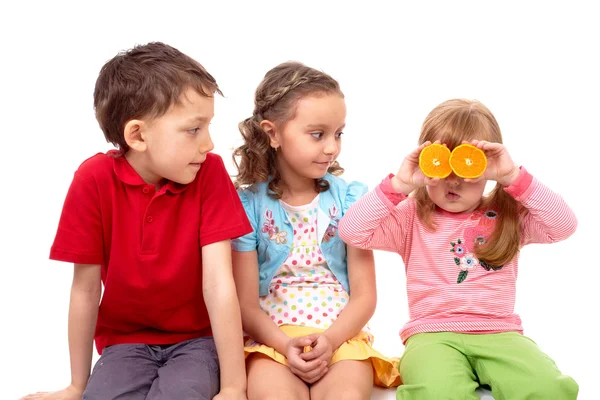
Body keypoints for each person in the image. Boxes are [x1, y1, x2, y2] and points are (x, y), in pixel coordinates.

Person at [21, 42, 251, 400]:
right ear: (138, 135)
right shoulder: (93, 179)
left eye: (208, 126)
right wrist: (76, 386)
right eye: (194, 129)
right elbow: (84, 289)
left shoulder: (211, 173)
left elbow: (220, 284)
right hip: (125, 343)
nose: (209, 143)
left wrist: (235, 387)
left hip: (197, 341)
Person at [338, 98, 579, 399]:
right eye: (442, 165)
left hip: (499, 334)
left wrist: (513, 177)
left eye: (467, 165)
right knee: (436, 391)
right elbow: (352, 231)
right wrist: (399, 184)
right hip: (432, 336)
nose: (453, 180)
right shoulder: (412, 216)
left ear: (488, 166)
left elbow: (564, 225)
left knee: (547, 388)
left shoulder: (507, 214)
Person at [230, 61, 400, 400]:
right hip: (272, 340)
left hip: (341, 336)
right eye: (318, 134)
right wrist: (285, 344)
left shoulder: (351, 199)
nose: (332, 147)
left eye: (338, 134)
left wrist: (332, 341)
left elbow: (365, 295)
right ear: (273, 133)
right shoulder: (247, 207)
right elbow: (246, 305)